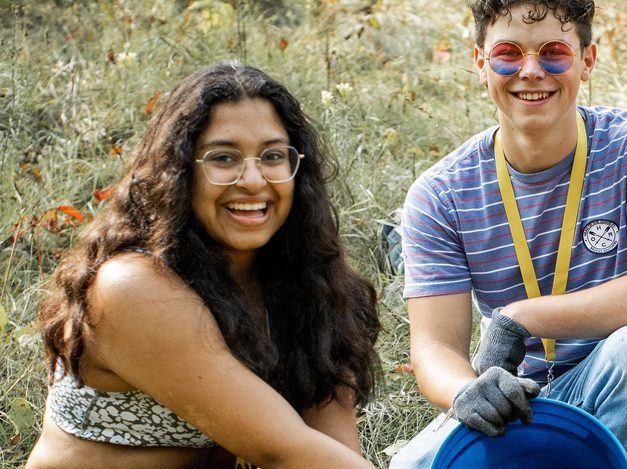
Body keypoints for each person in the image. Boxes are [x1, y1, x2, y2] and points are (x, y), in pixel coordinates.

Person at [391, 0, 627, 469]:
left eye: (554, 53)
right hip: (514, 397)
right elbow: (433, 348)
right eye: (507, 54)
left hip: (608, 380)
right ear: (479, 63)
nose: (531, 71)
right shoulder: (440, 193)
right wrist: (466, 392)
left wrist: (520, 317)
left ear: (587, 60)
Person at [26, 63, 381, 469]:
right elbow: (285, 451)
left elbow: (336, 451)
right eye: (224, 157)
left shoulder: (310, 285)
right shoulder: (131, 287)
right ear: (178, 170)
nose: (252, 179)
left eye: (273, 156)